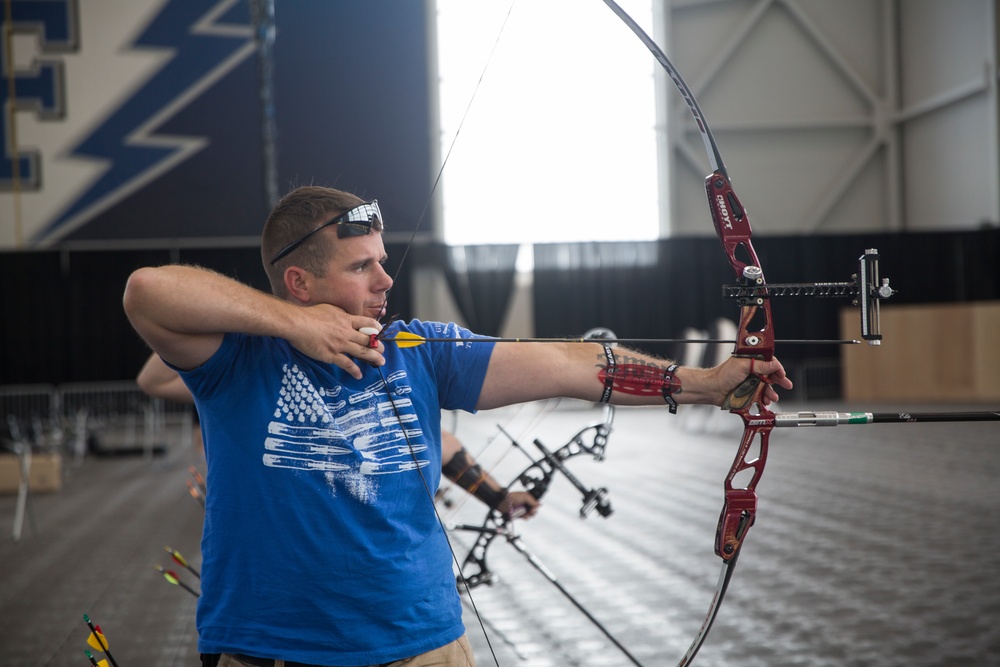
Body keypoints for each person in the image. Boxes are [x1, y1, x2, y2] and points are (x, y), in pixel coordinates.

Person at [122, 185, 791, 667]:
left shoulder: (420, 349)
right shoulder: (235, 359)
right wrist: (294, 326)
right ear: (299, 282)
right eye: (362, 266)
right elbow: (147, 290)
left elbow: (564, 363)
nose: (386, 278)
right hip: (271, 649)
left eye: (382, 259)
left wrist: (701, 383)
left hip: (423, 646)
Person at [136, 353, 540, 518]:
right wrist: (243, 318)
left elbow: (444, 448)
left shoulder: (373, 381)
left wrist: (498, 498)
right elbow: (152, 378)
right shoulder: (247, 370)